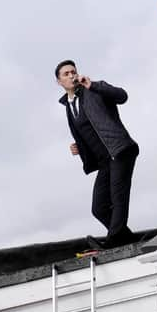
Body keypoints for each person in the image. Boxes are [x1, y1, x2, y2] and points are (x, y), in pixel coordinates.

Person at [55, 59, 139, 249]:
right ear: (59, 82)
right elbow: (88, 129)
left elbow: (122, 96)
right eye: (66, 74)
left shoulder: (93, 90)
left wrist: (94, 85)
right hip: (105, 162)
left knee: (118, 199)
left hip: (120, 150)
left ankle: (113, 240)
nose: (71, 76)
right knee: (99, 207)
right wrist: (80, 147)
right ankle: (126, 239)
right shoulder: (69, 105)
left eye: (73, 72)